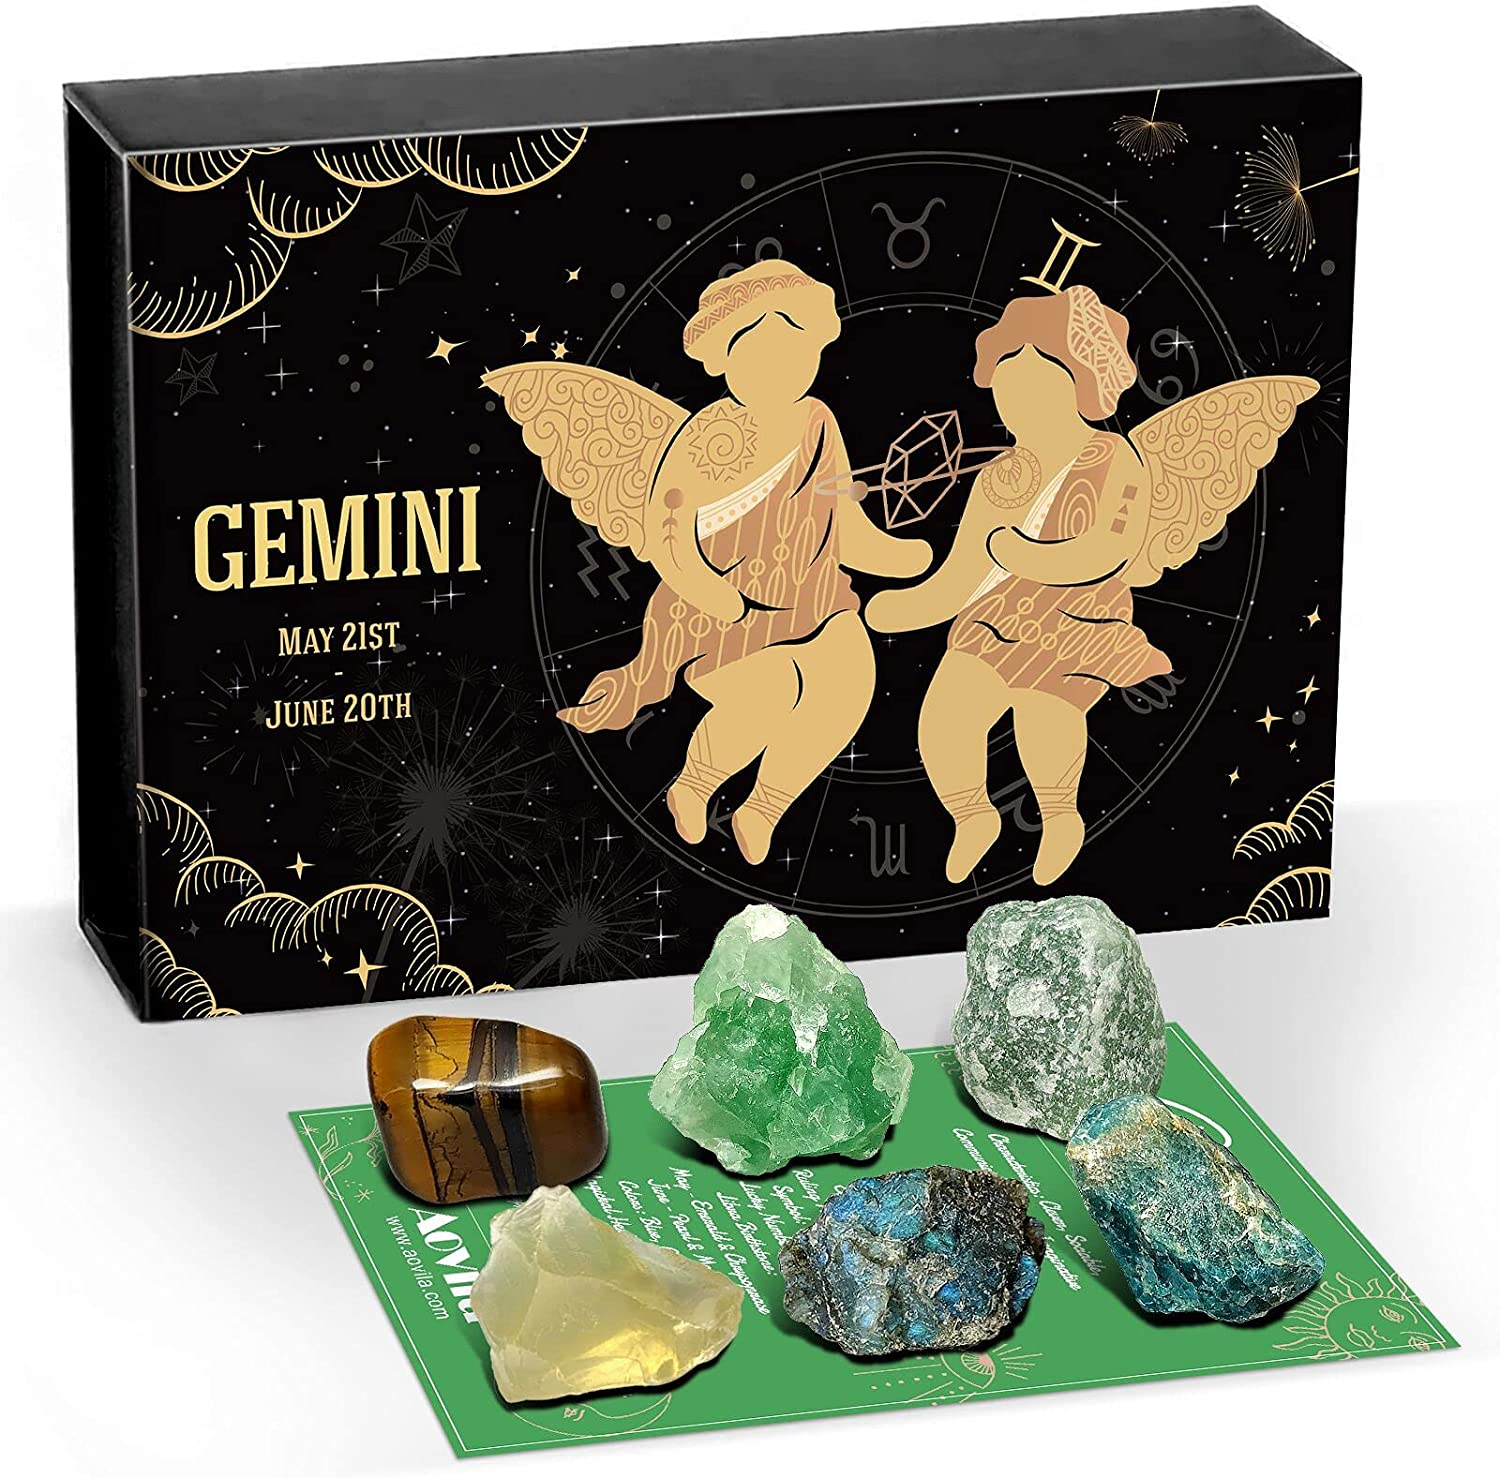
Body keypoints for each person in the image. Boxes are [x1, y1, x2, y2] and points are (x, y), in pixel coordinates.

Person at [563, 260, 931, 864]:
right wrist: (714, 595)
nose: (782, 368)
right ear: (726, 359)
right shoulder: (706, 437)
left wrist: (899, 556)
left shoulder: (818, 419)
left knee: (848, 680)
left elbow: (843, 518)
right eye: (761, 354)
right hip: (719, 615)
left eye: (797, 350)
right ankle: (695, 784)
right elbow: (669, 534)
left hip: (813, 597)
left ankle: (763, 808)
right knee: (773, 690)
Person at [866, 285, 1170, 887]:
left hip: (1079, 617)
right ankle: (971, 815)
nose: (1016, 402)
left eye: (1035, 385)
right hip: (999, 616)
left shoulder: (1115, 458)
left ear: (1080, 386)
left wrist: (1026, 554)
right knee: (944, 716)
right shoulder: (1000, 474)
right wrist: (907, 607)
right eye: (1006, 387)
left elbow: (1110, 547)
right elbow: (964, 572)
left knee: (1042, 714)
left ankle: (1059, 816)